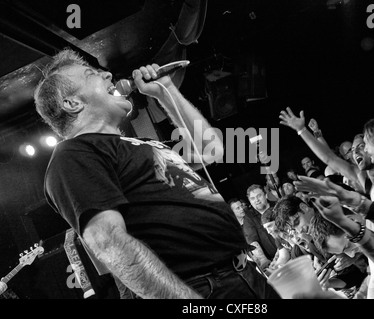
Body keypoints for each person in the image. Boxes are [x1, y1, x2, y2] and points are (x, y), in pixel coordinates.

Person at [34, 49, 279, 299]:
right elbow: (109, 241)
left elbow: (211, 149)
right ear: (73, 103)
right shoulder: (74, 154)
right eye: (91, 75)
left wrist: (165, 90)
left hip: (244, 274)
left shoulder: (144, 145)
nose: (108, 75)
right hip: (201, 288)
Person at [244, 184, 279, 271]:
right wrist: (263, 261)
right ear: (250, 202)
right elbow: (252, 241)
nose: (257, 200)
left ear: (266, 195)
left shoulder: (277, 206)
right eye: (252, 199)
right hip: (271, 260)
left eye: (259, 196)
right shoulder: (249, 217)